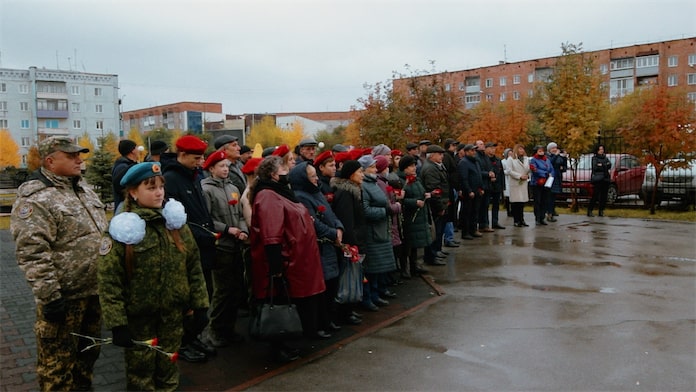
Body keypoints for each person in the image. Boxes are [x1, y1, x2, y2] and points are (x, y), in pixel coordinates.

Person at [98, 162, 209, 391]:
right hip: (140, 321)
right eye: (150, 188)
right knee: (141, 376)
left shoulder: (175, 224)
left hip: (173, 316)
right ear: (132, 192)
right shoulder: (123, 230)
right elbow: (109, 281)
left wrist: (200, 306)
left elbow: (193, 267)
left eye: (161, 187)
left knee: (169, 369)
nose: (159, 192)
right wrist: (117, 323)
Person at [11, 136, 108, 391]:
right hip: (64, 298)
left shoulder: (82, 189)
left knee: (87, 358)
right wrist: (50, 296)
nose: (80, 159)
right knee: (56, 368)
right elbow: (32, 251)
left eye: (80, 154)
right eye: (71, 155)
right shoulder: (37, 197)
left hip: (94, 292)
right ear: (50, 161)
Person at [249, 156, 326, 362]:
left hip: (297, 260)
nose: (288, 171)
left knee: (292, 303)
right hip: (284, 262)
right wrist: (277, 265)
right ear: (274, 174)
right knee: (281, 304)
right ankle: (278, 346)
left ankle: (289, 343)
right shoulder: (267, 196)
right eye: (284, 167)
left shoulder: (281, 193)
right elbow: (271, 233)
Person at [162, 135, 217, 361]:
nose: (200, 161)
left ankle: (193, 337)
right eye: (196, 157)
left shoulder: (194, 176)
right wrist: (201, 235)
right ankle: (183, 343)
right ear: (181, 155)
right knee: (190, 303)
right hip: (187, 250)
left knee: (205, 297)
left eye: (202, 157)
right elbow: (173, 222)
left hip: (203, 248)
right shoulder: (171, 180)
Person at [289, 161, 344, 337]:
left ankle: (329, 319)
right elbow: (314, 223)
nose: (315, 179)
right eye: (312, 176)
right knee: (322, 287)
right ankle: (320, 324)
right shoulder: (301, 196)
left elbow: (330, 213)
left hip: (330, 243)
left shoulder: (317, 191)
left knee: (332, 284)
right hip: (320, 246)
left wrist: (338, 228)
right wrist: (332, 233)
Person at [200, 151, 249, 347]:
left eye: (227, 166)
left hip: (236, 245)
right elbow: (208, 219)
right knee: (222, 291)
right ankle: (215, 330)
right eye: (221, 166)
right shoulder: (206, 190)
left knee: (236, 289)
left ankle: (229, 329)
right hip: (221, 246)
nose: (225, 169)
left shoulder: (232, 187)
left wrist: (243, 230)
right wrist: (228, 229)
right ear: (211, 169)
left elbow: (240, 214)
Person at [330, 160, 366, 325]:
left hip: (354, 241)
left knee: (352, 276)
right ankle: (344, 312)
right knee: (347, 277)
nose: (362, 175)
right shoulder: (345, 193)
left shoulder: (353, 191)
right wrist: (352, 244)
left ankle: (348, 310)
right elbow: (347, 221)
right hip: (349, 243)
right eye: (360, 172)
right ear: (351, 174)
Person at [395, 155, 431, 277]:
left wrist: (425, 195)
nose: (414, 168)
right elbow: (400, 200)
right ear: (404, 168)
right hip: (407, 216)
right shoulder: (399, 181)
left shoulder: (417, 179)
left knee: (415, 243)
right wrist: (414, 202)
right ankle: (404, 268)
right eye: (411, 166)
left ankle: (414, 266)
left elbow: (420, 191)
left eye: (414, 165)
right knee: (406, 243)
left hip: (418, 215)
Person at [419, 144, 450, 265]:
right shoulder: (431, 168)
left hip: (441, 202)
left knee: (439, 230)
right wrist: (440, 207)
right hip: (435, 205)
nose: (442, 156)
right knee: (434, 231)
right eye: (439, 154)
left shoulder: (436, 166)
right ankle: (431, 256)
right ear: (432, 155)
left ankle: (436, 251)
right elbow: (435, 190)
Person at [457, 144, 484, 240]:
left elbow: (478, 175)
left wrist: (481, 188)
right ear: (467, 152)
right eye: (472, 150)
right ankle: (466, 232)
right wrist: (469, 190)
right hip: (469, 192)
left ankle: (473, 230)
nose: (474, 152)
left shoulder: (475, 162)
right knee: (467, 212)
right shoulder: (463, 162)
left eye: (475, 151)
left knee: (475, 211)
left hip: (477, 191)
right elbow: (464, 178)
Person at [507, 144, 531, 227]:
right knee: (516, 203)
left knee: (522, 203)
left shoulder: (526, 159)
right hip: (515, 182)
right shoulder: (511, 159)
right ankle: (516, 220)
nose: (522, 151)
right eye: (520, 149)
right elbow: (509, 171)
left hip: (523, 182)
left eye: (523, 149)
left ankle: (522, 220)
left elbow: (528, 169)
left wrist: (527, 175)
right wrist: (519, 176)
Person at [529, 145, 555, 226]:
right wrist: (545, 173)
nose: (541, 152)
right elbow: (535, 170)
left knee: (544, 201)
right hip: (537, 183)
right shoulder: (533, 160)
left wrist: (550, 174)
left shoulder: (547, 160)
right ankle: (537, 218)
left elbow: (551, 169)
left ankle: (542, 217)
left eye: (542, 150)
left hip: (546, 183)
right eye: (539, 151)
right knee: (537, 201)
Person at [112, 139, 139, 210]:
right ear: (132, 150)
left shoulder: (128, 165)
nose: (138, 150)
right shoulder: (122, 167)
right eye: (136, 147)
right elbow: (120, 188)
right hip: (124, 207)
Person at [484, 142, 505, 229]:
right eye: (491, 148)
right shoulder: (484, 159)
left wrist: (502, 186)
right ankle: (485, 223)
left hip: (497, 186)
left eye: (494, 148)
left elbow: (501, 174)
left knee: (496, 205)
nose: (493, 150)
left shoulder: (497, 160)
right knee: (486, 205)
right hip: (488, 185)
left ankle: (495, 222)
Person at [588, 144, 612, 217]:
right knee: (595, 195)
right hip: (598, 179)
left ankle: (601, 211)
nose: (602, 150)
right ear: (597, 150)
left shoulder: (605, 158)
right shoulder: (594, 158)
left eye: (602, 149)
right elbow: (595, 167)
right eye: (600, 149)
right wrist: (604, 166)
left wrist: (602, 165)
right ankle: (590, 210)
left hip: (605, 178)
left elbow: (609, 165)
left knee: (604, 196)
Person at [546, 142, 567, 221]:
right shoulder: (547, 156)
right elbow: (550, 163)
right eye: (553, 148)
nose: (555, 149)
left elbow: (563, 166)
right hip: (550, 178)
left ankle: (552, 211)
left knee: (554, 196)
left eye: (555, 148)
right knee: (549, 197)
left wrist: (564, 158)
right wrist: (555, 155)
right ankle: (549, 213)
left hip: (557, 177)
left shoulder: (558, 156)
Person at [501, 147, 514, 217]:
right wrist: (508, 172)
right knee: (508, 196)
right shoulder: (503, 162)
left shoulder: (514, 161)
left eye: (511, 154)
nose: (510, 155)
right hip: (506, 179)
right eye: (509, 154)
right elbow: (502, 171)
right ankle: (508, 211)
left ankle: (513, 210)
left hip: (513, 179)